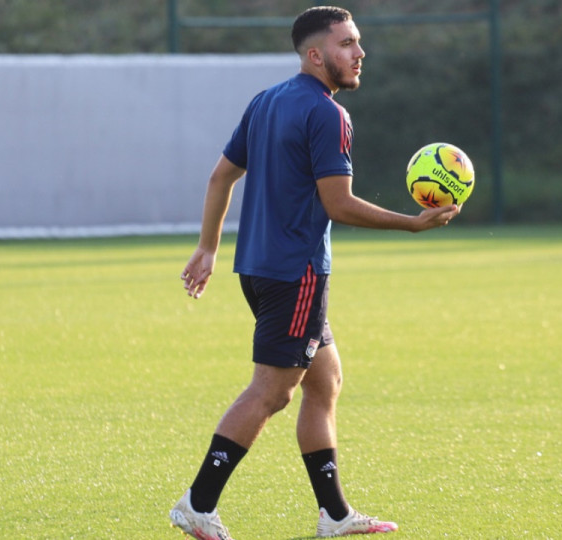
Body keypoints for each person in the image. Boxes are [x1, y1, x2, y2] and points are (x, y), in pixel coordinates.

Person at [169, 6, 460, 539]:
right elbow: (339, 204)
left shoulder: (265, 101)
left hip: (257, 269)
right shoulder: (329, 115)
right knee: (272, 393)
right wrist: (411, 225)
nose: (359, 53)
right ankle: (197, 503)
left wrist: (208, 248)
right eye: (347, 43)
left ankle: (336, 515)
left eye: (358, 42)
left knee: (324, 382)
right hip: (296, 274)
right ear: (315, 54)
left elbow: (220, 178)